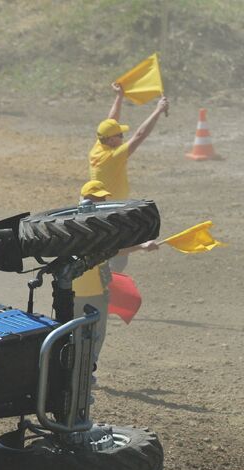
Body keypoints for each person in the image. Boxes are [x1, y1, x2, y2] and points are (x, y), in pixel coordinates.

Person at [73, 180, 158, 370]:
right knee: (78, 335)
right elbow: (110, 251)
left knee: (94, 335)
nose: (102, 202)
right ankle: (76, 372)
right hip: (78, 293)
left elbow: (112, 251)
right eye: (97, 199)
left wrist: (141, 246)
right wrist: (141, 246)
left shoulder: (95, 224)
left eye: (103, 198)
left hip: (94, 291)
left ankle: (87, 371)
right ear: (85, 200)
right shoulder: (83, 226)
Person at [89, 83, 170, 201]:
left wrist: (119, 96)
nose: (123, 137)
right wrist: (158, 111)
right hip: (111, 208)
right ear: (111, 140)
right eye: (120, 135)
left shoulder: (100, 144)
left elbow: (111, 120)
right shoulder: (113, 156)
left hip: (101, 203)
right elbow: (140, 135)